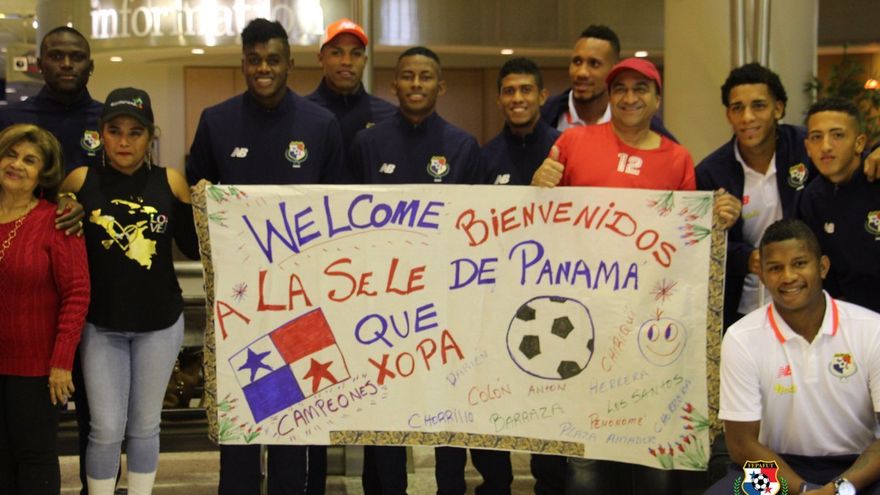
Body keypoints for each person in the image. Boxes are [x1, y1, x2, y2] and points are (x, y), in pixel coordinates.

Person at [531, 57, 740, 494]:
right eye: (620, 89)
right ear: (610, 97)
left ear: (657, 99)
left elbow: (687, 240)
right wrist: (539, 186)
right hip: (581, 321)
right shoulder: (573, 142)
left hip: (649, 324)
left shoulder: (676, 158)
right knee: (586, 457)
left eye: (640, 89)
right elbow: (542, 221)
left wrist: (716, 218)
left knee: (652, 450)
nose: (629, 98)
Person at [186, 18, 345, 495]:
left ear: (289, 63)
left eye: (273, 60)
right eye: (254, 60)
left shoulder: (320, 124)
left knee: (293, 424)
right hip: (239, 305)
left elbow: (338, 213)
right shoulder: (216, 121)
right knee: (241, 423)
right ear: (243, 64)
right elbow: (196, 203)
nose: (263, 68)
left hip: (302, 302)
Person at [348, 46, 482, 495]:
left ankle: (451, 488)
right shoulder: (367, 145)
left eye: (425, 77)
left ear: (440, 86)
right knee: (385, 408)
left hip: (445, 306)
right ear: (394, 84)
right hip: (380, 305)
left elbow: (477, 230)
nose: (416, 84)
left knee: (446, 407)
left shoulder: (463, 146)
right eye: (408, 76)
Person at [59, 87, 199, 494]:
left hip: (160, 323)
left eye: (135, 132)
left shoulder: (170, 180)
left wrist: (200, 203)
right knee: (104, 428)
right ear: (101, 134)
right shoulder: (80, 180)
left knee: (144, 425)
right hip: (100, 323)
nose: (124, 141)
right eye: (115, 131)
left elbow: (193, 247)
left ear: (150, 136)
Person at [704, 218, 880, 495]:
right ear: (762, 275)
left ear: (822, 267)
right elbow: (741, 447)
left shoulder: (872, 329)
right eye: (775, 268)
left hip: (859, 469)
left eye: (799, 263)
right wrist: (805, 490)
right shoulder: (741, 337)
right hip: (773, 470)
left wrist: (838, 489)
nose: (788, 277)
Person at [0, 28, 98, 491]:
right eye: (11, 156)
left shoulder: (104, 120)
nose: (66, 63)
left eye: (30, 160)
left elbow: (77, 292)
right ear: (39, 61)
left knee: (77, 437)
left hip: (48, 348)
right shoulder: (12, 114)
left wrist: (60, 360)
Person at [481, 56, 560, 494]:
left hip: (554, 302)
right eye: (509, 91)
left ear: (542, 95)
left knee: (548, 401)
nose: (517, 98)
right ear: (499, 99)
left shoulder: (566, 149)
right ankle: (494, 485)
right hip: (497, 299)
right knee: (493, 398)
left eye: (526, 90)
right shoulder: (485, 156)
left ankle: (550, 485)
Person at [696, 64, 817, 331]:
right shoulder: (711, 172)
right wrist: (747, 258)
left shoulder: (806, 148)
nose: (747, 117)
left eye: (758, 106)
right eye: (737, 108)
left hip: (809, 300)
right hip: (744, 308)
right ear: (728, 114)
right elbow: (700, 244)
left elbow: (847, 158)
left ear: (778, 109)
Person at [795, 97, 880, 314]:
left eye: (838, 135)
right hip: (856, 317)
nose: (825, 146)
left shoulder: (877, 174)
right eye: (816, 137)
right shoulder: (811, 199)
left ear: (859, 143)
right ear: (808, 147)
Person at [539, 25, 674, 140]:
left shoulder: (645, 125)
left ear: (613, 70)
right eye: (577, 62)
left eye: (594, 64)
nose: (581, 73)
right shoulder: (542, 116)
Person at [306, 18, 397, 152]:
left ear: (365, 61)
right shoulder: (302, 114)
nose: (347, 62)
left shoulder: (389, 116)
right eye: (336, 53)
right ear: (321, 59)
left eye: (356, 53)